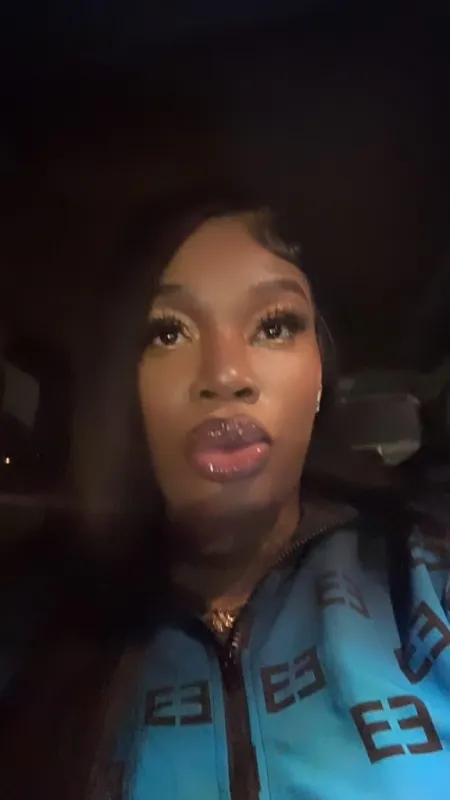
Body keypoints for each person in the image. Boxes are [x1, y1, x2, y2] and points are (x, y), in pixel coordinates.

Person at [1, 197, 450, 800]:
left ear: (321, 378)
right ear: (124, 386)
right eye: (168, 332)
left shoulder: (422, 573)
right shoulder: (28, 624)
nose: (225, 374)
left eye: (275, 325)